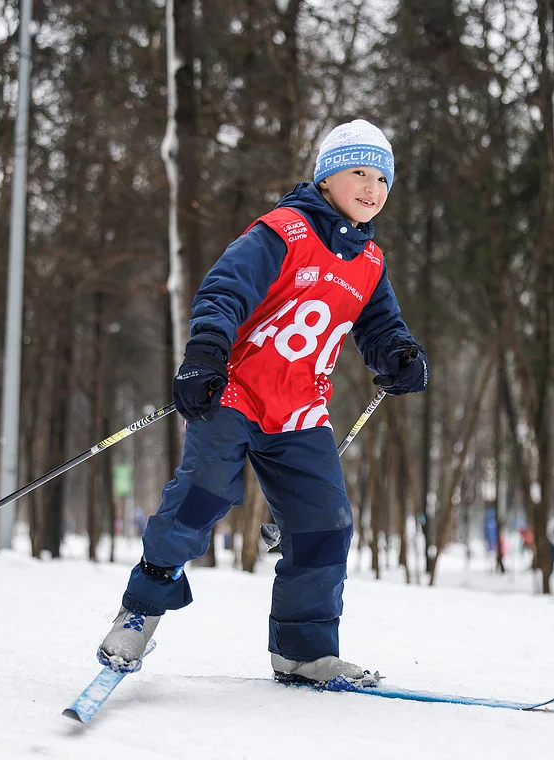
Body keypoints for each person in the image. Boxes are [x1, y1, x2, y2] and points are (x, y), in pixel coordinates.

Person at [99, 119, 427, 686]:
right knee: (201, 499)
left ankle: (302, 650)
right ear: (327, 178)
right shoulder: (284, 231)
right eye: (359, 174)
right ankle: (139, 612)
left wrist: (398, 354)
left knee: (325, 524)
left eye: (382, 179)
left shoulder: (370, 262)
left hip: (300, 411)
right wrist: (204, 355)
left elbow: (380, 326)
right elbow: (223, 290)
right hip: (235, 393)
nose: (371, 189)